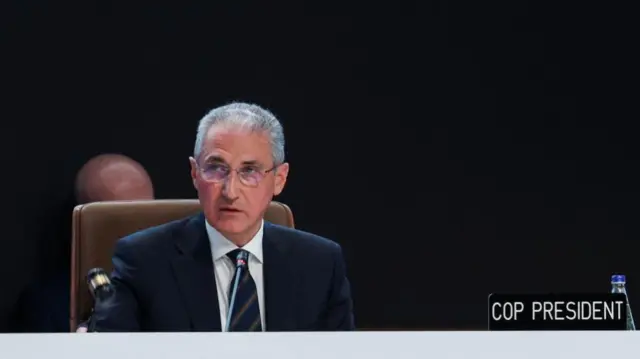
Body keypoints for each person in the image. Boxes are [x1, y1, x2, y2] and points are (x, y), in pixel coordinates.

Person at [92, 102, 355, 331]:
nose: (230, 191)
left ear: (279, 179)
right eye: (216, 169)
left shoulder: (320, 264)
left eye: (249, 171)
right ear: (195, 173)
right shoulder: (143, 261)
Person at [17, 154, 154, 332]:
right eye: (125, 220)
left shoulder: (178, 288)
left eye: (149, 214)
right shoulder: (48, 307)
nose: (141, 231)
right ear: (87, 224)